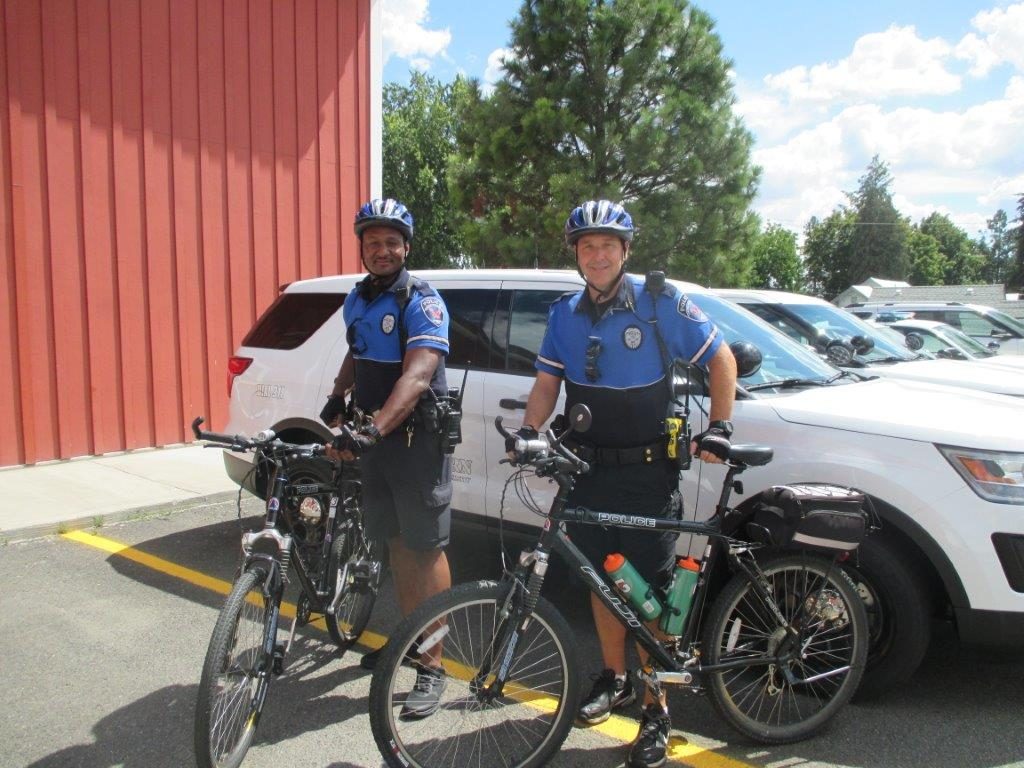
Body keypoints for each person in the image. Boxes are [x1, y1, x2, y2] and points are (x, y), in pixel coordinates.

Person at [507, 200, 737, 768]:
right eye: (587, 246)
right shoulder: (564, 314)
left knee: (648, 593)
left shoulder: (659, 303)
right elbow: (546, 384)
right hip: (585, 469)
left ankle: (656, 710)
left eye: (607, 244)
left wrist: (721, 426)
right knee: (601, 576)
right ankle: (613, 679)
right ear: (577, 255)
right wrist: (530, 431)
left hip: (647, 472)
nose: (598, 255)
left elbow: (721, 358)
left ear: (626, 250)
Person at [321, 197, 452, 718]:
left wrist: (372, 431)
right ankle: (409, 642)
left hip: (416, 444)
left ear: (406, 248)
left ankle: (433, 665)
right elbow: (357, 350)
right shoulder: (359, 298)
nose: (381, 250)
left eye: (391, 242)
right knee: (396, 544)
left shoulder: (423, 301)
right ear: (361, 248)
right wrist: (338, 394)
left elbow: (417, 376)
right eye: (372, 242)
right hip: (374, 440)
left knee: (426, 550)